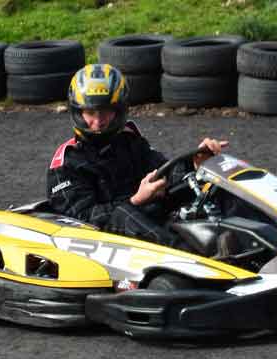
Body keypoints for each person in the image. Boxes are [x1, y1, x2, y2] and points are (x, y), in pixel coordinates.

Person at [45, 63, 229, 247]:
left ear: (119, 110)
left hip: (145, 223)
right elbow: (82, 219)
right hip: (98, 241)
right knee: (125, 215)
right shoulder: (67, 163)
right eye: (90, 112)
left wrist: (195, 164)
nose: (98, 122)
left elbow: (163, 171)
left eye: (106, 111)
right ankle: (195, 260)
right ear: (78, 112)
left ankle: (247, 238)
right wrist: (136, 200)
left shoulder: (129, 141)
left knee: (207, 185)